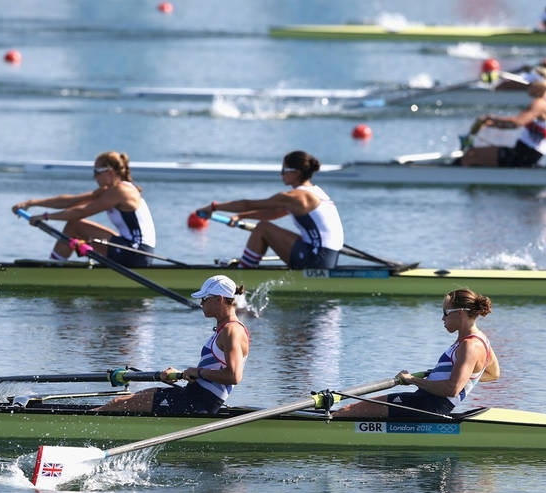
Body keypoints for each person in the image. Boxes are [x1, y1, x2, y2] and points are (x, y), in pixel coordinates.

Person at [333, 288, 500, 419]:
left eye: (445, 313)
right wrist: (446, 375)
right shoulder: (482, 339)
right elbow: (493, 373)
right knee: (353, 411)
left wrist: (413, 380)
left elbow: (452, 389)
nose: (442, 318)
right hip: (425, 402)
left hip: (428, 406)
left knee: (346, 411)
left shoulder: (469, 346)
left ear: (460, 313)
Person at [94, 275, 249, 414]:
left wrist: (198, 372)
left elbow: (233, 376)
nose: (201, 303)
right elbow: (212, 371)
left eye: (204, 298)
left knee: (117, 404)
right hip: (191, 395)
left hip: (198, 404)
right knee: (128, 399)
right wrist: (182, 374)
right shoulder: (224, 329)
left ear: (220, 299)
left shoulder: (232, 331)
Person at [196, 150, 344, 269]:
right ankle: (247, 267)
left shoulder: (297, 196)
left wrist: (214, 207)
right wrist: (240, 216)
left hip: (315, 259)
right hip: (326, 258)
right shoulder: (316, 192)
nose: (281, 174)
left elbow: (249, 204)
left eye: (284, 169)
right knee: (266, 226)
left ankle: (243, 272)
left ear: (297, 172)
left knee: (263, 228)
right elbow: (274, 213)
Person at [11, 151, 156, 267]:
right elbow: (71, 201)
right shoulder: (109, 190)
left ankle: (53, 268)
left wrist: (45, 217)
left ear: (110, 172)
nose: (94, 177)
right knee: (78, 229)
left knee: (75, 226)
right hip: (132, 249)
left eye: (97, 171)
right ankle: (57, 265)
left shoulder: (120, 191)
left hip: (136, 253)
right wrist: (31, 202)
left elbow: (81, 211)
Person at [460, 67, 546, 167]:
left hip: (523, 157)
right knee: (476, 156)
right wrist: (491, 123)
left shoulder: (539, 103)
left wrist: (491, 119)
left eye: (529, 84)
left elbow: (516, 123)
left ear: (538, 86)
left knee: (470, 155)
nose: (527, 87)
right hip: (525, 154)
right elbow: (514, 124)